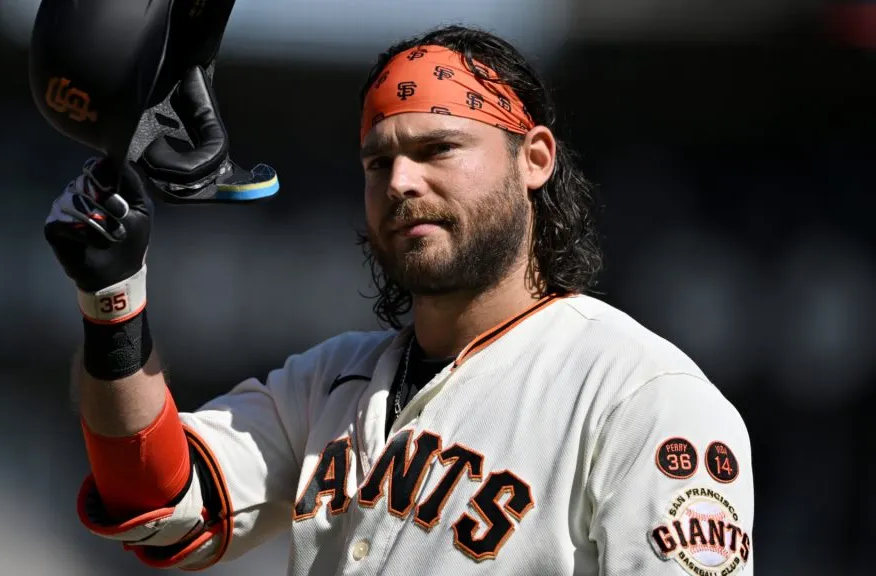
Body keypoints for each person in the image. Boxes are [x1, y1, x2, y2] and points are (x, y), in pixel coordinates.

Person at [45, 24, 754, 576]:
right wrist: (112, 297)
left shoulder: (640, 397)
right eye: (378, 161)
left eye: (439, 148)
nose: (402, 182)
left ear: (534, 158)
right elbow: (157, 499)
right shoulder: (328, 384)